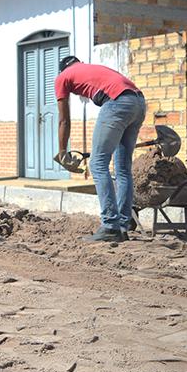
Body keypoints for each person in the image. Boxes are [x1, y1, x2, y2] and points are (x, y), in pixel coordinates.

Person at [54, 56, 146, 242]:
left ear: (62, 70)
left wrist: (62, 152)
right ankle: (123, 224)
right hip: (138, 102)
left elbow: (64, 120)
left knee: (97, 164)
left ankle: (110, 225)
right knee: (122, 168)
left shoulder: (62, 77)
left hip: (117, 102)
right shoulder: (92, 68)